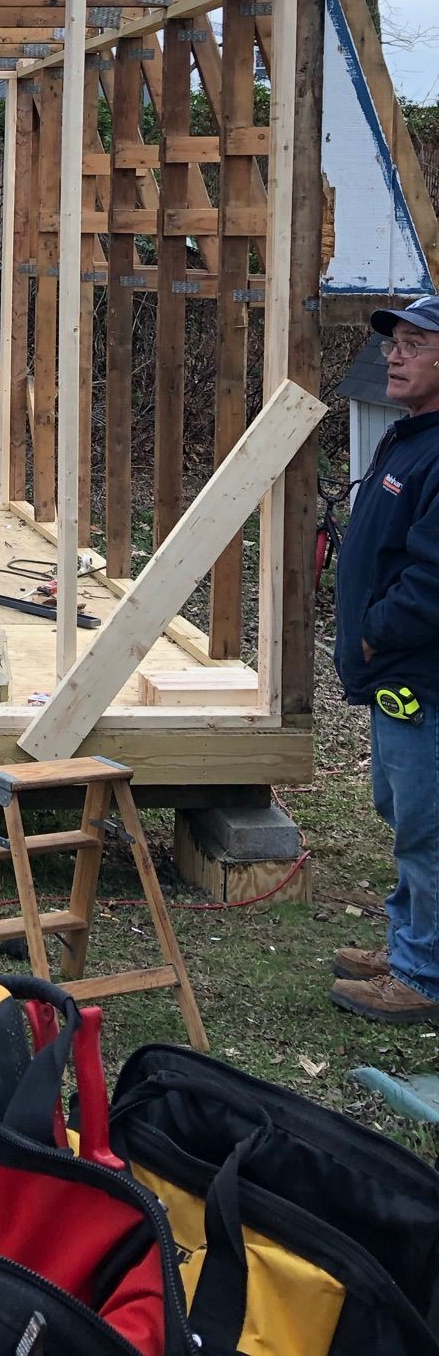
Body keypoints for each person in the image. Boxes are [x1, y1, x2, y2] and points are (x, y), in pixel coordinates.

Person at [331, 293, 439, 1023]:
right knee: (404, 810)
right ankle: (411, 941)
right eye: (393, 342)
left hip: (420, 673)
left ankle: (422, 975)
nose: (393, 355)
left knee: (427, 823)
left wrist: (373, 632)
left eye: (412, 343)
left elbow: (432, 581)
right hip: (394, 671)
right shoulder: (410, 437)